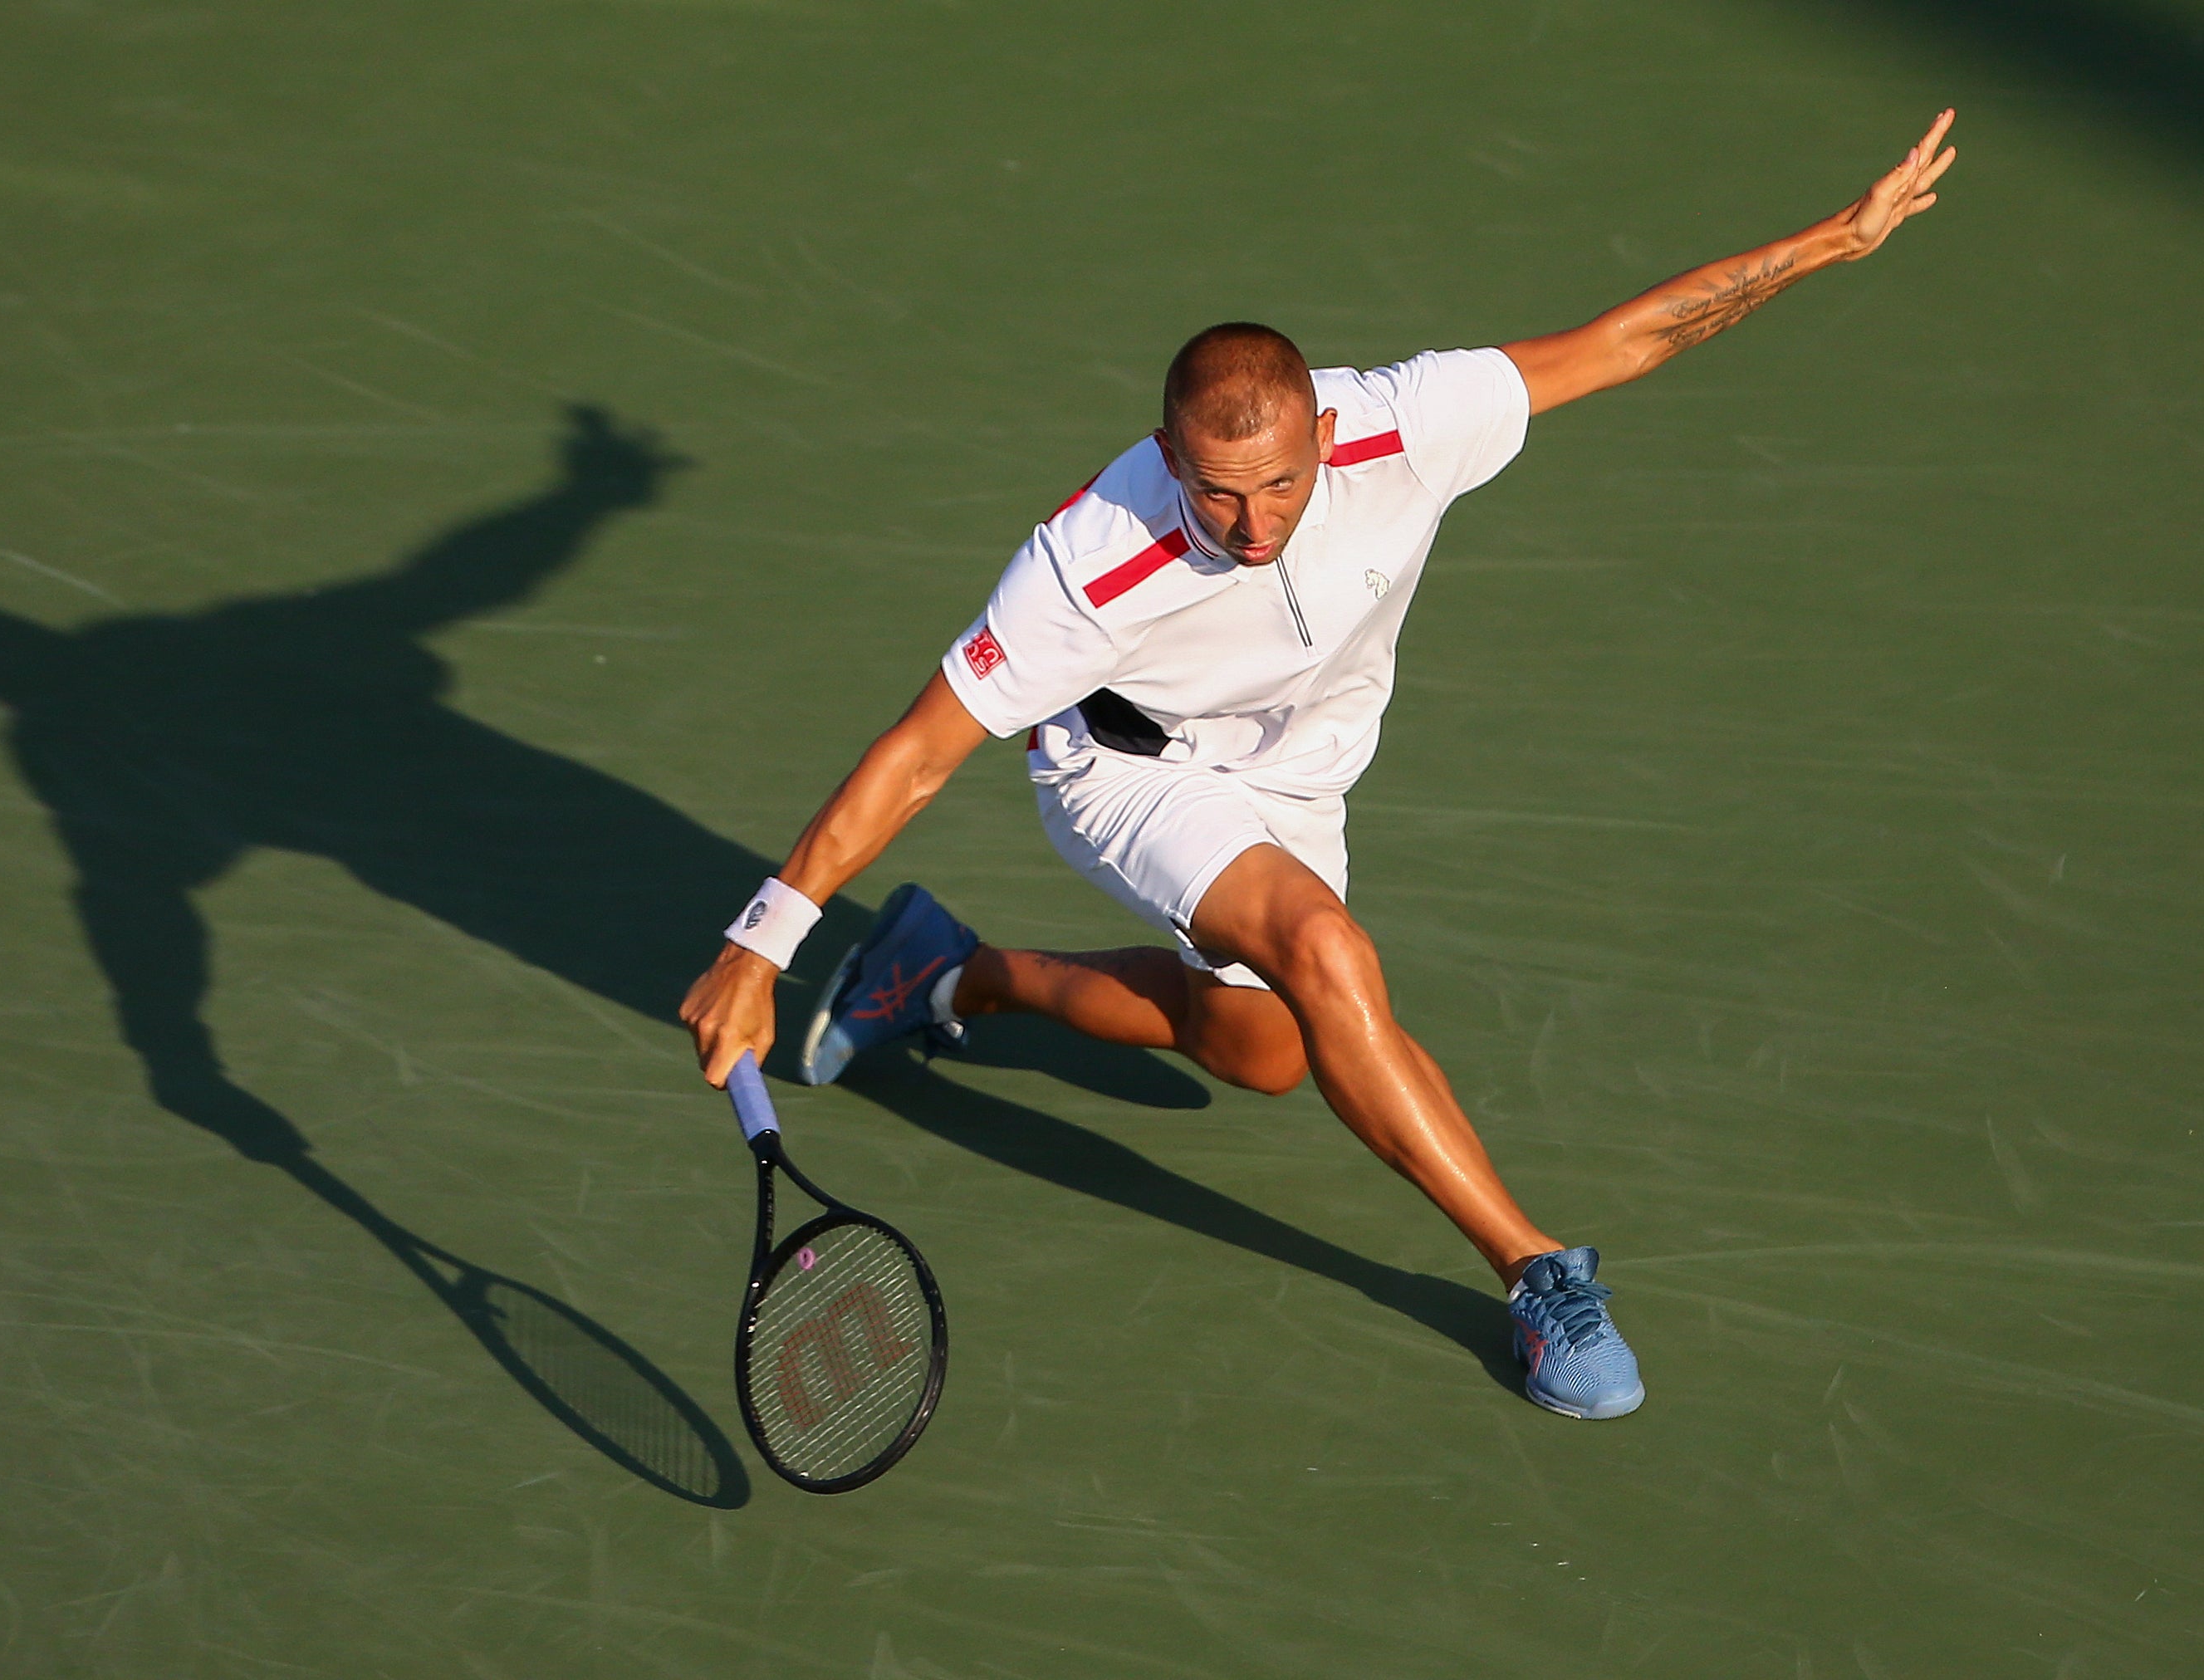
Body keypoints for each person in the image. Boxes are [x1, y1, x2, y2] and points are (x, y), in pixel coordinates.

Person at [681, 113, 1957, 1420]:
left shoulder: (1402, 426)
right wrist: (759, 944)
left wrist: (1834, 244)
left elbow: (1621, 340)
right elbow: (920, 750)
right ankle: (1538, 1275)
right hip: (1134, 776)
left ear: (1320, 436)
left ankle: (949, 972)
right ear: (1171, 457)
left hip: (1303, 772)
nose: (1253, 524)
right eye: (1219, 492)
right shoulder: (1085, 564)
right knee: (1330, 954)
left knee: (1266, 1052)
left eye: (1281, 485)